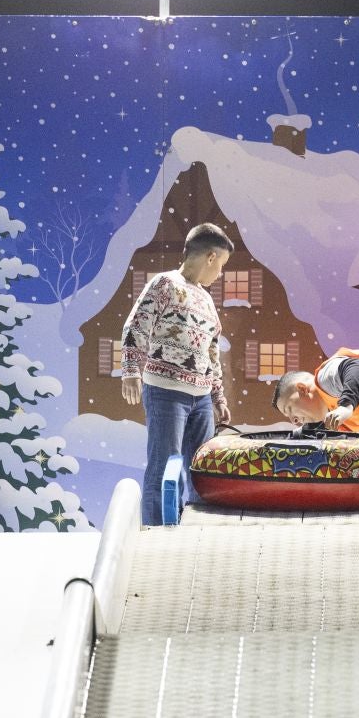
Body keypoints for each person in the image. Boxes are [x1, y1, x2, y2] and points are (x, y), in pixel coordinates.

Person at [119, 223, 234, 525]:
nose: (219, 273)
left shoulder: (207, 300)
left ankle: (196, 528)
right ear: (210, 257)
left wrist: (218, 396)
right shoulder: (164, 284)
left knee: (200, 467)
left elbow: (212, 352)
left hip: (202, 400)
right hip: (167, 393)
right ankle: (158, 530)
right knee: (165, 466)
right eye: (221, 265)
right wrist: (131, 369)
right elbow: (136, 325)